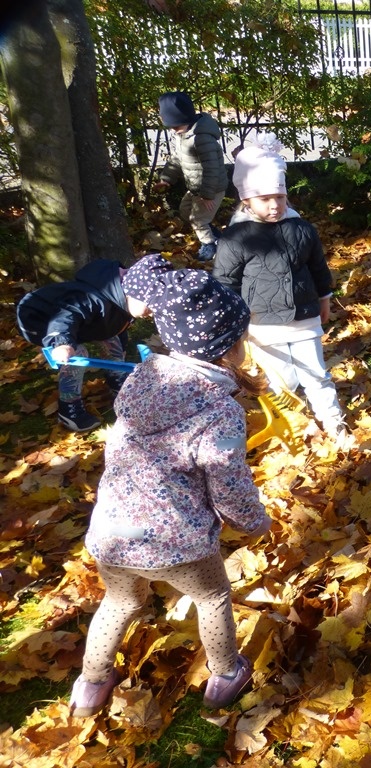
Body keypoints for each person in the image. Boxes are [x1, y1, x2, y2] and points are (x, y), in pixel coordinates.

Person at [68, 268, 272, 718]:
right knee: (212, 597)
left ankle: (90, 686)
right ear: (231, 347)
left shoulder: (142, 378)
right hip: (178, 539)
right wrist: (254, 522)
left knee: (120, 601)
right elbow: (229, 483)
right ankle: (225, 674)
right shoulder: (220, 410)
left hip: (113, 532)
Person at [212, 133, 354, 447]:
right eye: (264, 199)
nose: (274, 205)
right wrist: (234, 326)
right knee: (282, 380)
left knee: (316, 374)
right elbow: (226, 283)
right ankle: (296, 424)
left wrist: (324, 298)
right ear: (246, 200)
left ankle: (334, 423)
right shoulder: (236, 238)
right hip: (262, 323)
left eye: (279, 197)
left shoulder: (301, 229)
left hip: (305, 317)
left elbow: (318, 267)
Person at [15, 254, 173, 432]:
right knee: (77, 354)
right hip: (39, 318)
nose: (153, 311)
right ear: (133, 294)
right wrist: (62, 343)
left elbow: (116, 327)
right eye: (150, 305)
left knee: (110, 337)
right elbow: (66, 316)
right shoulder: (91, 299)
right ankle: (69, 406)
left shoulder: (123, 298)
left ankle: (116, 377)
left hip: (79, 323)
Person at [153, 91, 228, 262]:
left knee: (198, 219)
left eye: (176, 127)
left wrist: (208, 195)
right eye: (171, 128)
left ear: (186, 120)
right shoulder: (182, 135)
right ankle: (215, 235)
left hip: (212, 189)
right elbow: (176, 159)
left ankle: (210, 246)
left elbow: (212, 167)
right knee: (185, 211)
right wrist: (166, 179)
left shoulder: (201, 138)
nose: (174, 131)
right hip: (196, 188)